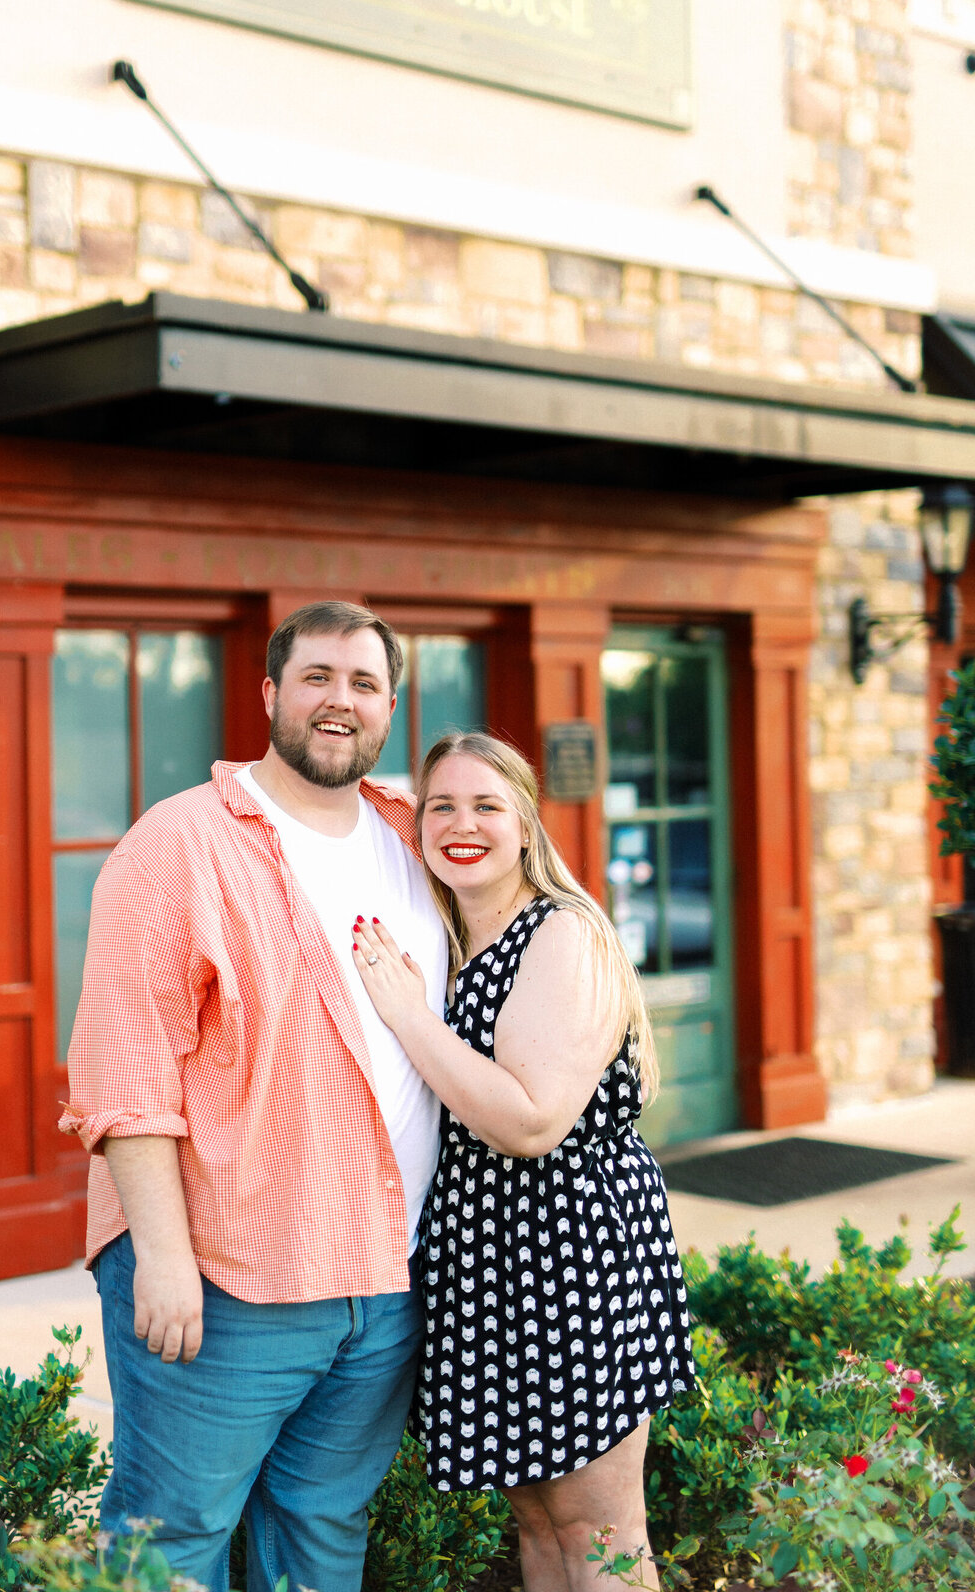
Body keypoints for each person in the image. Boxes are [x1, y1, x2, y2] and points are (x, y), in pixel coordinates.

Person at [60, 600, 450, 1592]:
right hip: (229, 1281)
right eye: (317, 677)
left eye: (364, 683)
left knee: (323, 1530)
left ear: (390, 707)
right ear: (271, 694)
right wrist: (162, 1258)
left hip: (385, 1277)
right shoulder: (181, 845)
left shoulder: (417, 836)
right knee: (172, 1541)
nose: (340, 701)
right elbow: (127, 1069)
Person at [351, 732, 695, 1592]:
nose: (461, 825)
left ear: (526, 825)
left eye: (486, 806)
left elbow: (533, 1121)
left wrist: (404, 1012)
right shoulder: (448, 939)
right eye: (441, 807)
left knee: (601, 1532)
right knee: (538, 1527)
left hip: (570, 1255)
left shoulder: (561, 934)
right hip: (484, 1263)